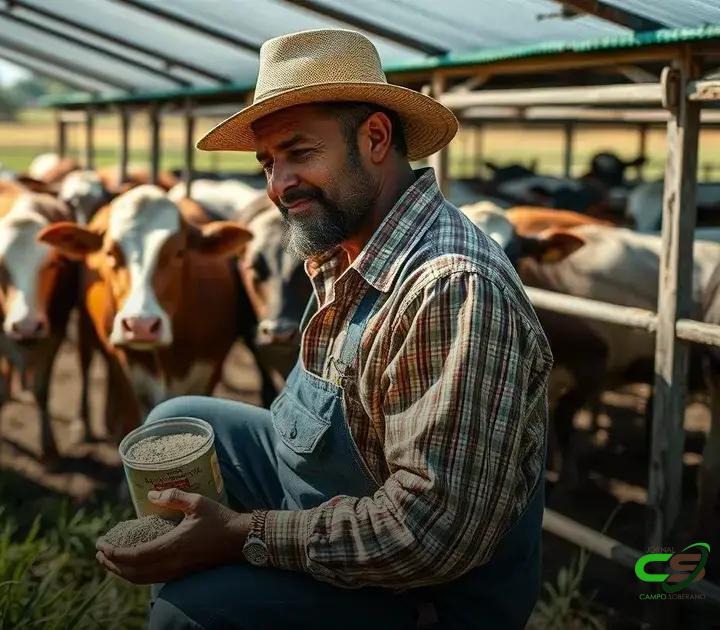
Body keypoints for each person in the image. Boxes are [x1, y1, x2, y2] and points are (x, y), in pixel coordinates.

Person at [94, 28, 552, 630]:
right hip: (338, 488)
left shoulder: (451, 289)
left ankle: (206, 590)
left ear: (377, 138)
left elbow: (430, 534)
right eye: (268, 163)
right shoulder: (349, 245)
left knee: (189, 612)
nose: (279, 185)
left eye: (299, 153)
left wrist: (241, 536)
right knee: (175, 422)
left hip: (426, 593)